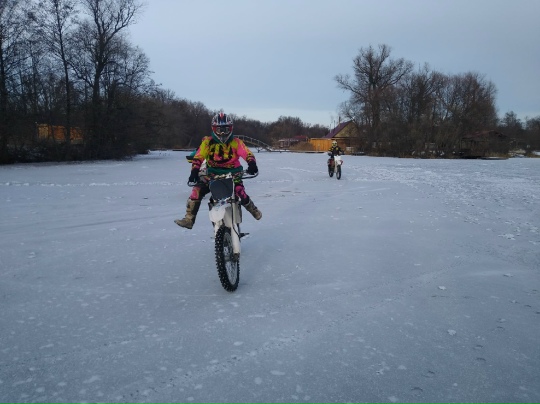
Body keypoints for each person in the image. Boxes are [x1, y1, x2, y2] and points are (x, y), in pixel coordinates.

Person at [174, 111, 262, 229]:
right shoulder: (207, 142)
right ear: (214, 129)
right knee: (196, 190)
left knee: (240, 192)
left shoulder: (236, 142)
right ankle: (189, 219)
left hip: (233, 174)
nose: (222, 133)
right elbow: (199, 156)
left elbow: (246, 153)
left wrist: (251, 163)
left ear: (230, 129)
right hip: (212, 174)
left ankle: (253, 210)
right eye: (219, 130)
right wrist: (194, 171)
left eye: (225, 129)